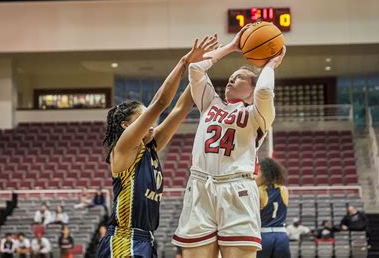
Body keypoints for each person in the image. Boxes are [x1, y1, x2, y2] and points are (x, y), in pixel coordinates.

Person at [96, 36, 218, 257]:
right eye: (144, 118)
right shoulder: (124, 146)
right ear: (126, 125)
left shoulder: (150, 147)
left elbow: (181, 108)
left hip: (146, 240)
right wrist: (184, 62)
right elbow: (161, 103)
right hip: (124, 239)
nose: (151, 123)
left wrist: (201, 67)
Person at [172, 23, 286, 258]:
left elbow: (264, 91)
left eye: (239, 77)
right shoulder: (210, 102)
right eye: (231, 76)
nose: (231, 79)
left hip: (237, 190)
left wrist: (271, 64)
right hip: (200, 186)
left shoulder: (258, 114)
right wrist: (232, 46)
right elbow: (195, 69)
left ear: (251, 89)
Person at [256, 158, 290, 258]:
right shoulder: (284, 189)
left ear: (265, 174)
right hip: (281, 235)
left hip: (264, 235)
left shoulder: (259, 191)